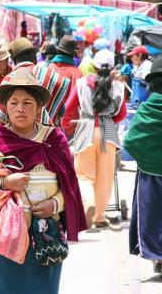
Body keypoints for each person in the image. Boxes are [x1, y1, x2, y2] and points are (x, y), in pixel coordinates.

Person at [0, 67, 86, 294]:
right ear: (6, 107)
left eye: (27, 103)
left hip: (46, 232)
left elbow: (70, 186)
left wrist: (55, 204)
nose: (20, 109)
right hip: (7, 233)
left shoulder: (54, 139)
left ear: (39, 108)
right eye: (14, 103)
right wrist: (5, 183)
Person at [63, 49, 127, 228]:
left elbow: (68, 108)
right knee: (105, 177)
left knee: (83, 175)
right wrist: (108, 119)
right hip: (108, 133)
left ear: (94, 66)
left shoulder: (82, 83)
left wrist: (67, 123)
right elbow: (121, 114)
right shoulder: (118, 87)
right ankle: (99, 216)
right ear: (113, 66)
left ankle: (88, 202)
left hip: (85, 129)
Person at [124, 55, 162, 274]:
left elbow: (131, 141)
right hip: (151, 170)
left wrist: (148, 157)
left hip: (151, 176)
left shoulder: (146, 109)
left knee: (153, 216)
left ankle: (158, 257)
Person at [3, 37, 71, 126]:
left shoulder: (9, 79)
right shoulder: (53, 76)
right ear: (34, 57)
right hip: (49, 136)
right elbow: (61, 112)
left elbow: (1, 116)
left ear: (14, 60)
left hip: (18, 137)